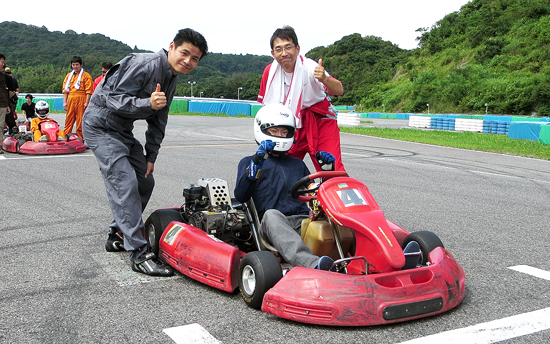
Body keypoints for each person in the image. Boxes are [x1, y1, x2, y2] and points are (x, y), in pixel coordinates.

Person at [83, 28, 208, 277]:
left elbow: (159, 119)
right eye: (185, 53)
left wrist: (151, 156)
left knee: (145, 181)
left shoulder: (171, 77)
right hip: (100, 127)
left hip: (122, 132)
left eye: (195, 58)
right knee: (125, 183)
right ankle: (139, 252)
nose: (188, 61)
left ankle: (117, 234)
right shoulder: (144, 64)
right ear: (171, 46)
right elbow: (111, 98)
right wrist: (146, 103)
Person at [234, 104, 336, 271]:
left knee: (336, 213)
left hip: (303, 220)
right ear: (262, 130)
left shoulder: (297, 164)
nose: (280, 136)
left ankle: (357, 256)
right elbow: (240, 196)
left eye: (284, 132)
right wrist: (255, 166)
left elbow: (314, 193)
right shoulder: (250, 162)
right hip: (272, 224)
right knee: (272, 214)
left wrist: (326, 173)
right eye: (274, 131)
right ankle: (314, 266)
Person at [257, 26, 345, 172]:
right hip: (289, 123)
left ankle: (334, 191)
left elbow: (339, 90)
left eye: (288, 47)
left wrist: (324, 78)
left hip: (319, 120)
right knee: (279, 167)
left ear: (297, 49)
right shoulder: (269, 72)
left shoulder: (310, 67)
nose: (284, 53)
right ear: (273, 53)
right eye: (279, 49)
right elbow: (266, 108)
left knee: (331, 167)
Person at [62, 56, 93, 139]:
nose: (75, 66)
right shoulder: (69, 76)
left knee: (80, 120)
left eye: (77, 64)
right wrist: (65, 102)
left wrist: (87, 102)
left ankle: (81, 138)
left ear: (81, 65)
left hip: (81, 97)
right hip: (71, 98)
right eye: (73, 65)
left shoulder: (86, 76)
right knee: (69, 119)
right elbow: (65, 90)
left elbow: (88, 91)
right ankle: (66, 136)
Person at [1, 53, 16, 145]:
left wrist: (6, 102)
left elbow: (12, 91)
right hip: (5, 102)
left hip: (4, 103)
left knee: (2, 123)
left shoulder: (9, 79)